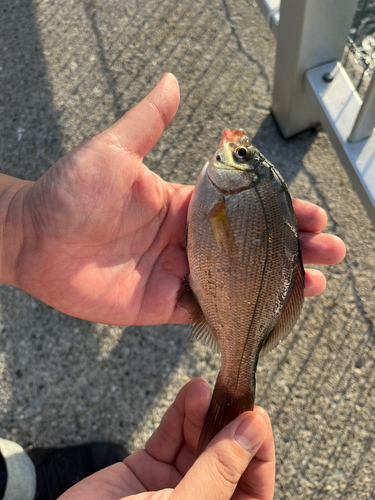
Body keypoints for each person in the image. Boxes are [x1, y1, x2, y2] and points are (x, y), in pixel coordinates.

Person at [0, 73, 346, 499]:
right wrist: (20, 226)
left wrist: (21, 225)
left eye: (238, 155)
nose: (231, 151)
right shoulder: (227, 195)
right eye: (241, 153)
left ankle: (15, 481)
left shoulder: (225, 196)